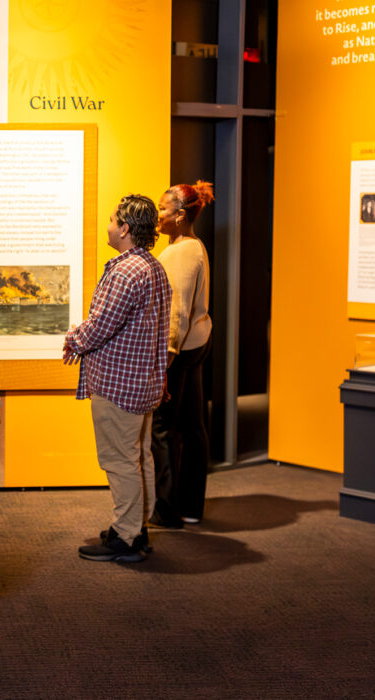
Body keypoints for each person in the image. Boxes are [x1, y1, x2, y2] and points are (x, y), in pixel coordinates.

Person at [63, 195, 171, 562]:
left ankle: (126, 539)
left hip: (119, 385)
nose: (108, 226)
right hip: (142, 383)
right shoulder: (152, 267)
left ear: (125, 228)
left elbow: (102, 324)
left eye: (112, 220)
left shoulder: (126, 271)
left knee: (120, 460)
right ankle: (135, 527)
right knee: (138, 456)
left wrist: (73, 339)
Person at [149, 181, 215, 528]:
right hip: (197, 344)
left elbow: (176, 312)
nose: (157, 215)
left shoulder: (181, 253)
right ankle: (190, 506)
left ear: (180, 215)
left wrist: (165, 360)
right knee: (192, 425)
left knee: (163, 428)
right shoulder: (191, 246)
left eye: (163, 209)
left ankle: (169, 508)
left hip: (181, 351)